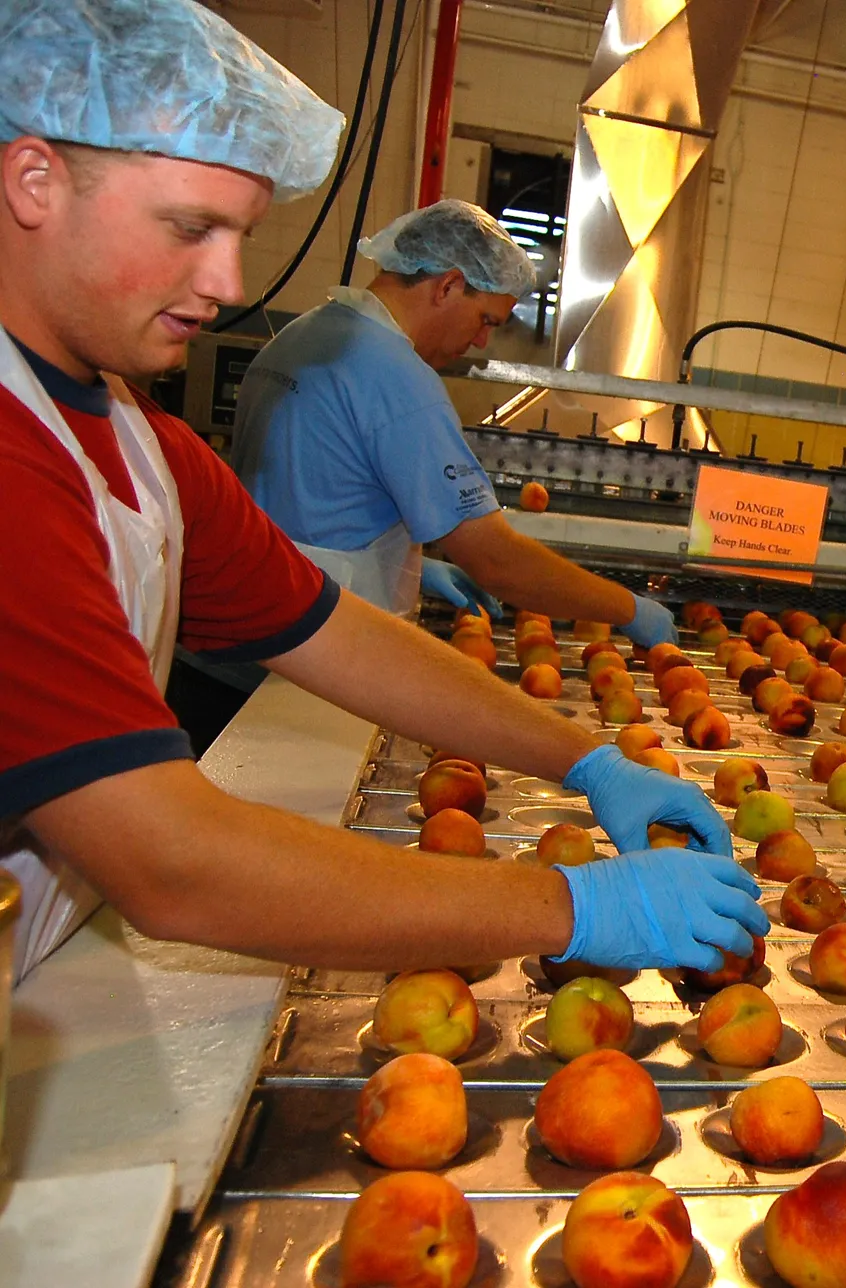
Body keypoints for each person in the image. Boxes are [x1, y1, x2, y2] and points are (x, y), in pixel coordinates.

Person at [0, 0, 766, 982]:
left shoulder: (133, 437)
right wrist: (564, 904)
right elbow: (172, 864)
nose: (229, 280)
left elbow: (331, 629)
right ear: (34, 179)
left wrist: (584, 759)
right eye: (191, 227)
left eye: (241, 232)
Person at [170, 200, 678, 741]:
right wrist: (626, 608)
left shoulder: (300, 337)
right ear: (448, 286)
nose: (481, 341)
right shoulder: (397, 377)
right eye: (486, 319)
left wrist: (398, 567)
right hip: (294, 673)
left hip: (218, 649)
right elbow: (497, 561)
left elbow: (308, 492)